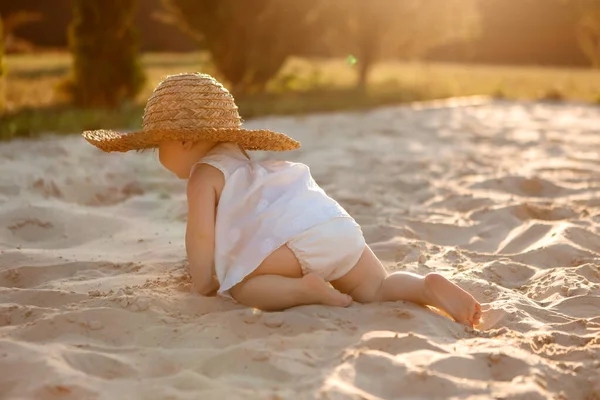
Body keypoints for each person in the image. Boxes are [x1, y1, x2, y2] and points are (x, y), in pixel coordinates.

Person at [83, 73, 482, 327]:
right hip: (333, 226)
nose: (158, 156)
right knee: (377, 287)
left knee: (241, 284)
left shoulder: (203, 176)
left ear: (185, 140)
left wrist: (205, 281)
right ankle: (425, 287)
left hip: (295, 243)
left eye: (158, 146)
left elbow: (201, 237)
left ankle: (306, 290)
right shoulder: (242, 161)